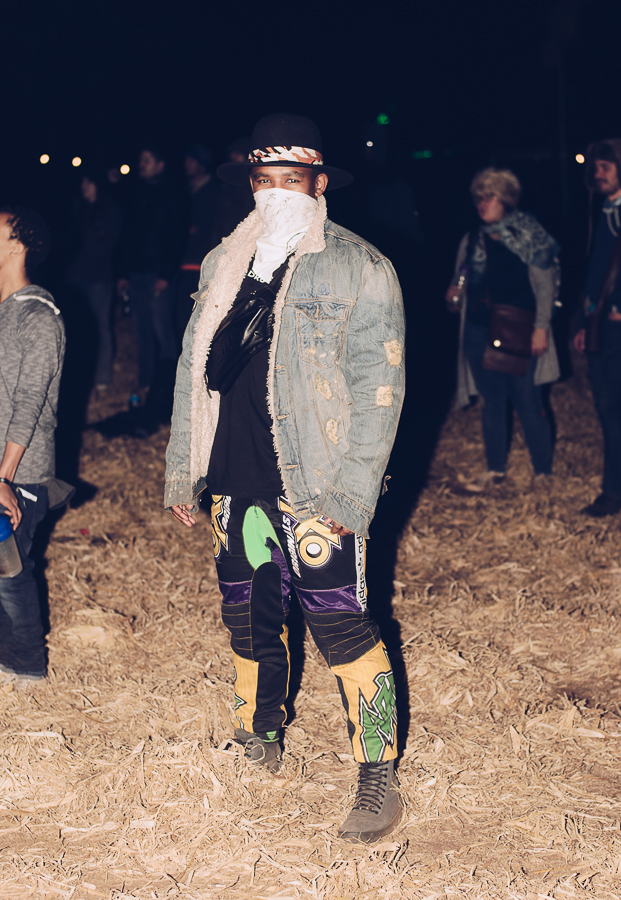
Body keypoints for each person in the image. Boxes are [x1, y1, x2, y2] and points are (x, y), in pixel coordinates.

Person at [165, 114, 406, 844]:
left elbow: (380, 390)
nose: (275, 194)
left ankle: (376, 771)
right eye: (263, 181)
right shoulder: (223, 261)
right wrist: (182, 470)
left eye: (291, 181)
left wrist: (351, 495)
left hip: (316, 483)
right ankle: (257, 730)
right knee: (247, 614)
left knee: (339, 622)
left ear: (320, 184)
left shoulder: (360, 267)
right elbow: (191, 369)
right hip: (234, 477)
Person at [447, 168, 560, 483]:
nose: (482, 204)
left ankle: (543, 472)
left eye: (490, 197)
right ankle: (495, 469)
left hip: (520, 330)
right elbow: (460, 284)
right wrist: (454, 296)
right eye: (479, 198)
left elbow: (546, 285)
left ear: (506, 200)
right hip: (478, 331)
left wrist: (541, 327)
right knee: (491, 401)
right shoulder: (472, 239)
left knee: (528, 400)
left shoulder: (529, 234)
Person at [0, 207, 72, 686]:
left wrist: (3, 477)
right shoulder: (5, 313)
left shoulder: (39, 318)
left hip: (20, 473)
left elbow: (28, 405)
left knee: (7, 571)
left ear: (16, 245)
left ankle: (26, 666)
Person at [117, 145, 186, 408]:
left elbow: (177, 237)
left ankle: (171, 388)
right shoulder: (136, 193)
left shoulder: (173, 193)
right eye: (141, 159)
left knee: (163, 330)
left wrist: (166, 274)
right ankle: (145, 382)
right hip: (137, 272)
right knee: (142, 330)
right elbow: (128, 235)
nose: (141, 164)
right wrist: (123, 273)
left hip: (159, 273)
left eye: (147, 160)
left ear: (160, 164)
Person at [574, 140, 621, 516]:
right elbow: (596, 267)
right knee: (608, 410)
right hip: (601, 326)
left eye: (606, 166)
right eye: (596, 166)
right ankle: (614, 491)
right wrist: (584, 318)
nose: (598, 172)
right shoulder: (604, 210)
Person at [67, 171, 122, 391]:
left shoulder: (110, 209)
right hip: (75, 275)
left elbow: (114, 244)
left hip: (100, 276)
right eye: (82, 181)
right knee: (77, 327)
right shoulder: (77, 208)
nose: (84, 185)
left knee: (101, 327)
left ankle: (102, 378)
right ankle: (79, 374)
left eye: (89, 181)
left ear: (98, 184)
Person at [176, 144, 220, 340]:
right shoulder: (185, 191)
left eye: (191, 160)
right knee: (181, 320)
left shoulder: (215, 192)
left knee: (200, 322)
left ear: (201, 164)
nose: (186, 164)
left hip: (203, 264)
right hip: (183, 263)